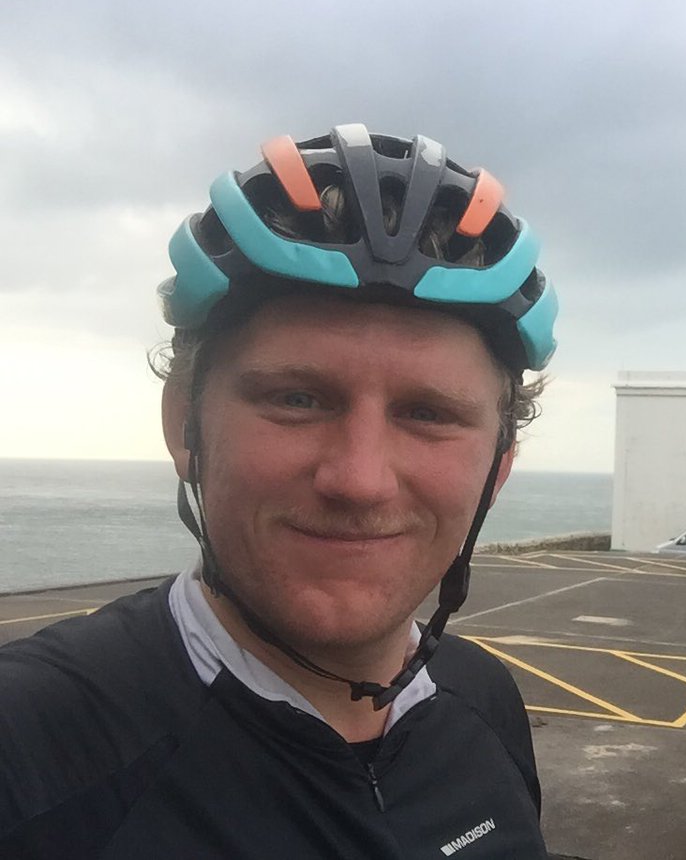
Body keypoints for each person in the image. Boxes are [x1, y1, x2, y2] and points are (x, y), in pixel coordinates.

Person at [0, 125, 558, 858]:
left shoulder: (484, 701)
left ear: (500, 466)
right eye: (297, 399)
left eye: (428, 414)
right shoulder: (25, 746)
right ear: (185, 428)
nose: (358, 479)